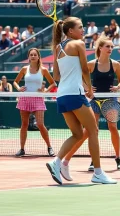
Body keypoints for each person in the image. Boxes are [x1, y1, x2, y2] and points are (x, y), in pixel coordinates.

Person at [46, 17, 116, 185]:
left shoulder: (58, 48)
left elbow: (56, 76)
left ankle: (57, 162)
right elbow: (85, 69)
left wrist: (80, 83)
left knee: (78, 134)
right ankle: (98, 173)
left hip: (62, 95)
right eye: (80, 27)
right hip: (75, 95)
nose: (83, 30)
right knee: (93, 131)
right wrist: (89, 89)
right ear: (70, 31)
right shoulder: (78, 44)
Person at [62, 36, 120, 172]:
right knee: (92, 130)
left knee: (113, 127)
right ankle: (94, 160)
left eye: (111, 47)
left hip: (110, 99)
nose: (110, 49)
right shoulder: (91, 64)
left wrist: (117, 87)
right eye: (107, 46)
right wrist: (87, 88)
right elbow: (79, 77)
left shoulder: (115, 64)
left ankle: (118, 157)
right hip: (94, 99)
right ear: (100, 48)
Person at [13, 48, 56, 157]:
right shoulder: (24, 69)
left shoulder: (43, 70)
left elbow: (53, 83)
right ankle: (22, 149)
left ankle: (49, 147)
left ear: (38, 57)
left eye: (34, 55)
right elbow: (15, 82)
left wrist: (45, 91)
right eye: (31, 55)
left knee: (40, 124)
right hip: (25, 98)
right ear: (29, 57)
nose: (33, 56)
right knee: (24, 124)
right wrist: (18, 88)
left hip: (38, 99)